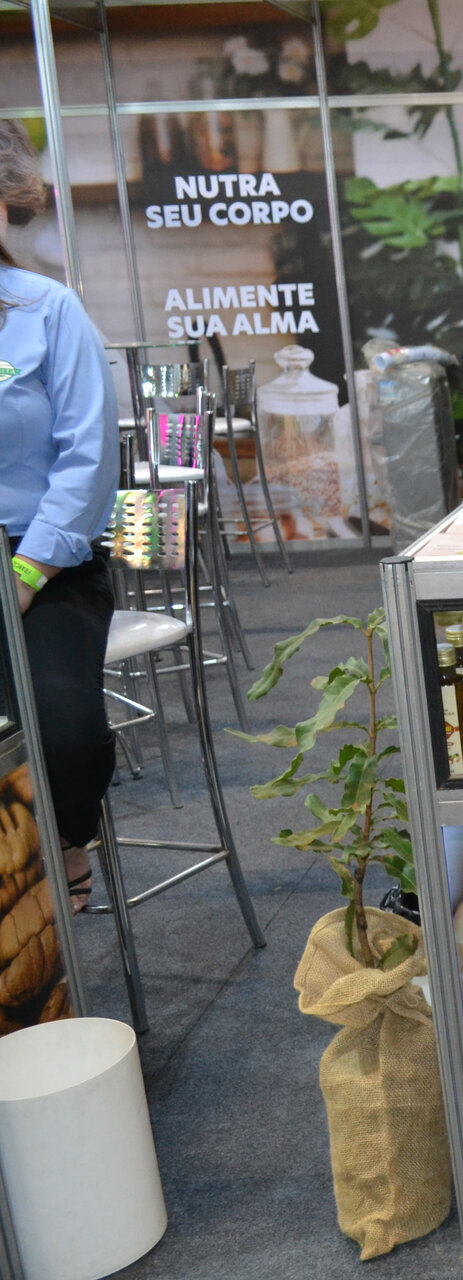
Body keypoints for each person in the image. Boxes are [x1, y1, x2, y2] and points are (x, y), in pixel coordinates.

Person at [0, 120, 117, 910]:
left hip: (44, 561)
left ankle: (63, 840)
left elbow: (89, 459)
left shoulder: (48, 310)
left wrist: (26, 572)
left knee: (66, 733)